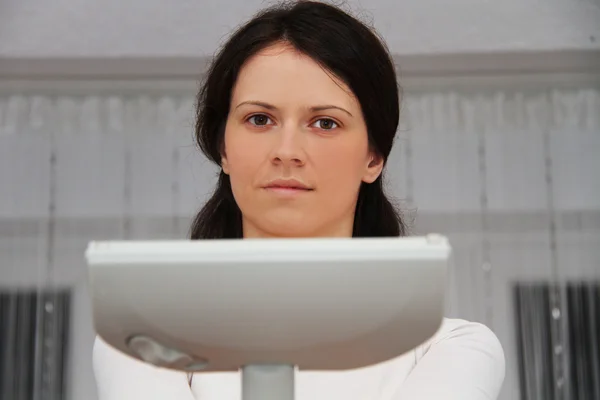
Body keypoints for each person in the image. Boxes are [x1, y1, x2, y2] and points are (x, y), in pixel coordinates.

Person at [93, 1, 505, 399]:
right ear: (223, 149)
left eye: (325, 123)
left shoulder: (453, 348)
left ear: (373, 157)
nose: (287, 150)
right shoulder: (142, 343)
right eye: (260, 119)